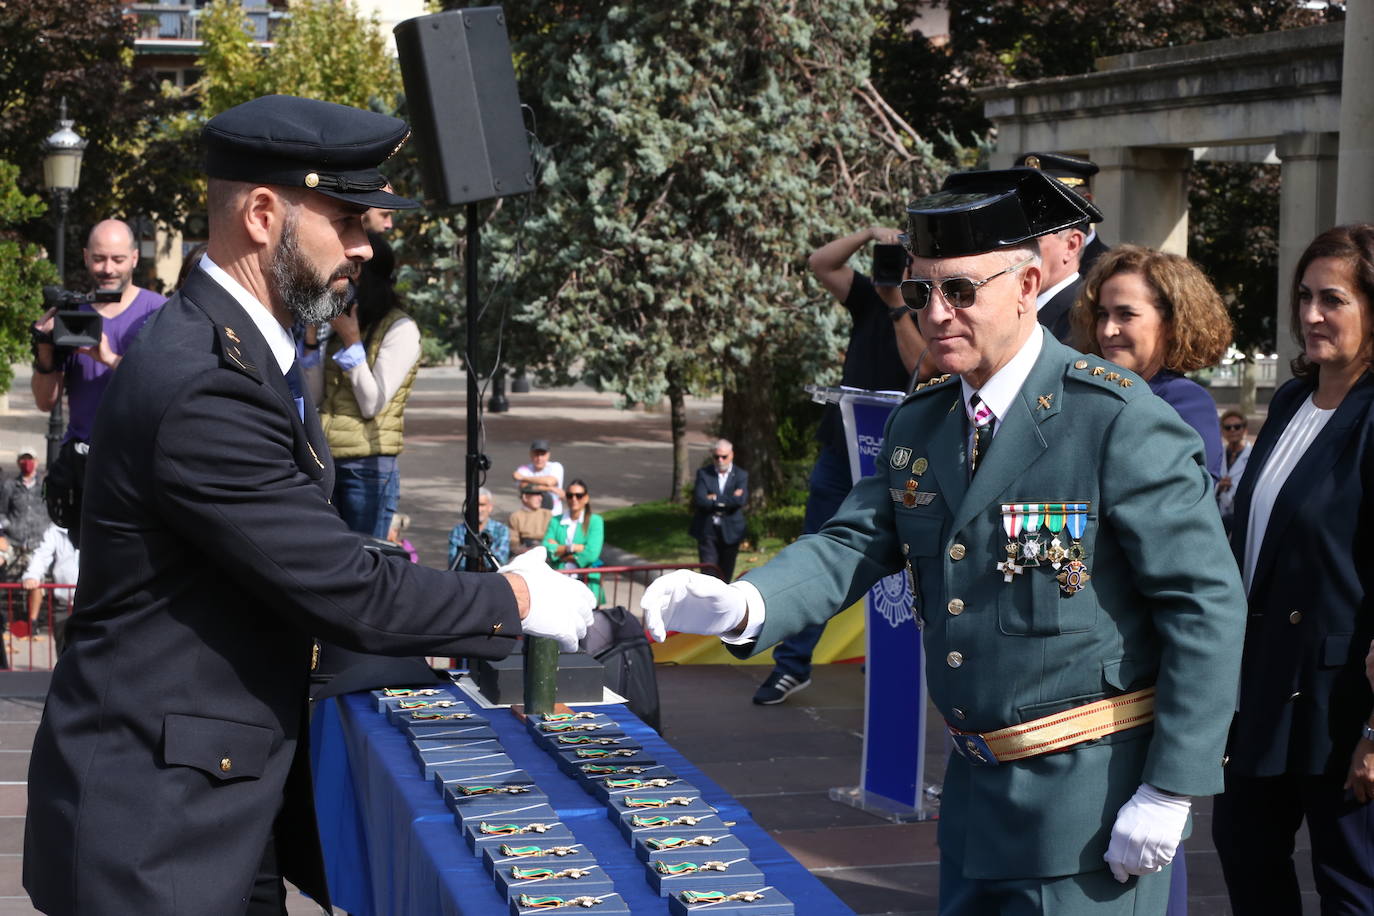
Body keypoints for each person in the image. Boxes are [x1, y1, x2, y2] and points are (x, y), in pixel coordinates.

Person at [22, 94, 594, 916]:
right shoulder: (205, 381)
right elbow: (342, 587)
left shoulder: (246, 347)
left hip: (213, 802)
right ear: (263, 214)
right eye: (349, 218)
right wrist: (521, 598)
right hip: (153, 838)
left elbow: (296, 544)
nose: (365, 245)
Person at [642, 167, 1246, 914]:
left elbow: (1205, 607)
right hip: (972, 804)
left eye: (962, 290)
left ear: (1028, 285)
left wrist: (1170, 786)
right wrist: (740, 603)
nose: (936, 313)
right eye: (922, 291)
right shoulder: (924, 422)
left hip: (1091, 816)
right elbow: (853, 541)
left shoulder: (1116, 421)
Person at [1212, 224, 1374, 914]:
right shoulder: (1287, 401)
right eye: (1303, 297)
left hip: (1341, 704)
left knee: (1351, 886)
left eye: (1332, 299)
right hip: (1262, 687)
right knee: (1246, 858)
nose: (1310, 315)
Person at [754, 225, 926, 706]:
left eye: (908, 256)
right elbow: (820, 263)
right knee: (817, 546)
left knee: (897, 564)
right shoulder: (871, 294)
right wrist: (869, 234)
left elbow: (924, 368)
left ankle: (892, 659)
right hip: (843, 444)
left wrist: (898, 305)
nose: (900, 264)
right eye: (897, 255)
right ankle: (792, 665)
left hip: (899, 454)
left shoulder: (923, 303)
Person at [1072, 245, 1230, 480]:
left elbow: (1182, 504)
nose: (1107, 330)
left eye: (1126, 315)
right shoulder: (1089, 394)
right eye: (1103, 315)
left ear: (1171, 323)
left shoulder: (1185, 401)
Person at [304, 231, 421, 537]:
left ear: (368, 278)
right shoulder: (346, 320)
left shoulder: (400, 328)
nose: (341, 285)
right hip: (326, 460)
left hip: (367, 468)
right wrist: (311, 339)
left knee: (365, 559)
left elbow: (372, 403)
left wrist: (352, 341)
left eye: (348, 276)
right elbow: (315, 395)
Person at [30, 219, 166, 446]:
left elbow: (167, 390)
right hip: (82, 459)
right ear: (86, 257)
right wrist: (44, 348)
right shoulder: (71, 313)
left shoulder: (160, 311)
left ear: (134, 258)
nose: (108, 269)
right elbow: (45, 402)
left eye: (118, 259)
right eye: (99, 259)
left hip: (138, 462)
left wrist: (111, 360)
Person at [1016, 152, 1109, 276]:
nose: (1034, 214)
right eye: (1026, 203)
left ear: (1086, 203)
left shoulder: (1111, 270)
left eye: (1048, 204)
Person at [689, 439, 749, 582]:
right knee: (709, 574)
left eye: (724, 457)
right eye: (716, 457)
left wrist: (714, 498)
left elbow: (740, 500)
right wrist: (728, 499)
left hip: (731, 531)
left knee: (725, 575)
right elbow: (701, 500)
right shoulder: (704, 474)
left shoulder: (741, 475)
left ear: (732, 455)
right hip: (708, 530)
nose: (720, 460)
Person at [544, 479, 604, 604]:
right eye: (570, 495)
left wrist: (559, 551)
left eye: (579, 495)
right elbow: (545, 546)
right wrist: (572, 548)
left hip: (586, 581)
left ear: (586, 498)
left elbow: (592, 553)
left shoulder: (595, 521)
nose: (574, 499)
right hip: (559, 579)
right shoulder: (556, 520)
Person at [21, 524, 78, 652]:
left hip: (95, 603)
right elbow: (42, 555)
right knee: (63, 652)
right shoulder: (56, 530)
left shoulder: (100, 524)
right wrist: (32, 575)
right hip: (65, 604)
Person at [0, 447, 49, 581]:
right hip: (13, 541)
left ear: (37, 462)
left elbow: (53, 508)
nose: (27, 462)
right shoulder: (9, 485)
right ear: (18, 462)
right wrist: (7, 528)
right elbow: (2, 512)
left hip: (38, 543)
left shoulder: (45, 485)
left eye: (30, 459)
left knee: (35, 577)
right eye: (23, 459)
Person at [448, 487, 511, 570]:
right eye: (475, 505)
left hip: (492, 579)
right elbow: (455, 562)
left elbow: (501, 561)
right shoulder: (458, 531)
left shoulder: (501, 530)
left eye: (482, 505)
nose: (478, 509)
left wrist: (480, 553)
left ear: (490, 507)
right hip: (465, 578)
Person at [1215, 409, 1251, 532]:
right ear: (1222, 431)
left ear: (1245, 429)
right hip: (1218, 515)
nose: (1232, 430)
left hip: (1241, 517)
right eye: (1227, 427)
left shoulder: (1253, 456)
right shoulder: (1217, 455)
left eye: (1237, 426)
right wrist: (1219, 486)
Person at [513, 440, 565, 513]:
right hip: (531, 513)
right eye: (536, 454)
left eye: (542, 454)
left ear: (548, 455)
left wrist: (523, 478)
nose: (539, 458)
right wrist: (550, 489)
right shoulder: (523, 469)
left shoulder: (556, 466)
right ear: (531, 454)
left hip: (553, 513)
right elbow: (524, 487)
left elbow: (549, 482)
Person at [508, 483, 553, 557]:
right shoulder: (516, 516)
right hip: (524, 552)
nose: (540, 498)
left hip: (545, 550)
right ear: (525, 497)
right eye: (535, 495)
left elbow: (553, 538)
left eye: (540, 495)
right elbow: (513, 541)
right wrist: (523, 550)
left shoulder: (547, 514)